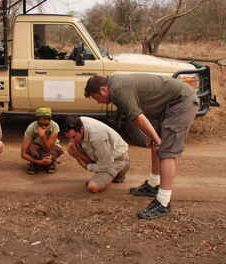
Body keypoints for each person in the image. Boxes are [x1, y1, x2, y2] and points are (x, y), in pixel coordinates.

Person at [84, 74, 198, 219]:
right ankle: (153, 185)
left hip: (181, 102)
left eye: (96, 97)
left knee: (166, 153)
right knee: (156, 145)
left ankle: (163, 202)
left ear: (103, 90)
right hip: (166, 106)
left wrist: (156, 138)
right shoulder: (115, 84)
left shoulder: (117, 89)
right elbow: (140, 115)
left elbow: (137, 117)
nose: (99, 102)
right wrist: (153, 136)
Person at [64, 115, 130, 192]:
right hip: (103, 157)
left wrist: (88, 166)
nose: (72, 141)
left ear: (81, 130)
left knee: (93, 187)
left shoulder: (97, 137)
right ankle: (105, 176)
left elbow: (106, 164)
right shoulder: (79, 122)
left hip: (116, 160)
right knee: (71, 148)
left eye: (74, 137)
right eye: (69, 137)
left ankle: (120, 170)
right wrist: (77, 154)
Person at [21, 107, 64, 174]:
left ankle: (50, 162)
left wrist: (42, 136)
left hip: (51, 148)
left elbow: (48, 148)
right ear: (37, 121)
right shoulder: (31, 127)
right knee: (31, 150)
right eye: (40, 124)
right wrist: (39, 162)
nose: (43, 127)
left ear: (50, 121)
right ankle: (35, 163)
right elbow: (23, 154)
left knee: (55, 151)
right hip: (36, 147)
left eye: (46, 124)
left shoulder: (54, 126)